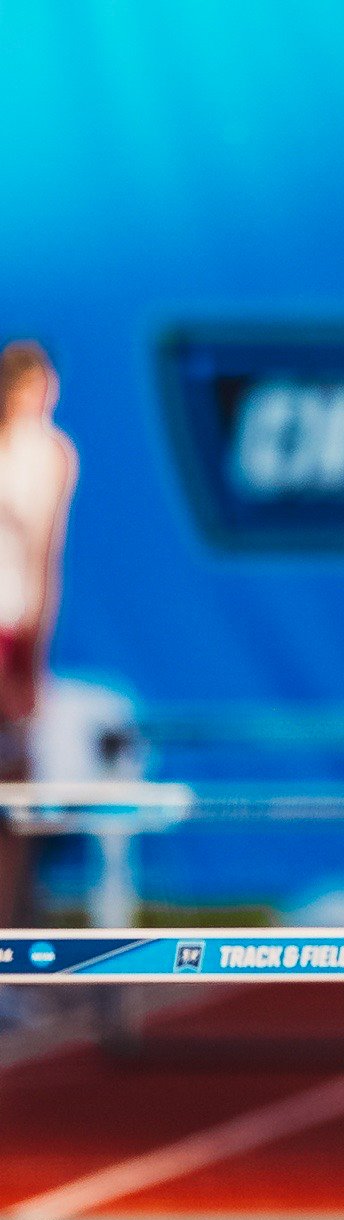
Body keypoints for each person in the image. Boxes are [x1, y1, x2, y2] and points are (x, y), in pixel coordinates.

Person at [0, 342, 76, 924]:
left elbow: (46, 556)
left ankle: (12, 937)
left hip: (13, 628)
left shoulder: (50, 454)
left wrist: (35, 661)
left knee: (13, 792)